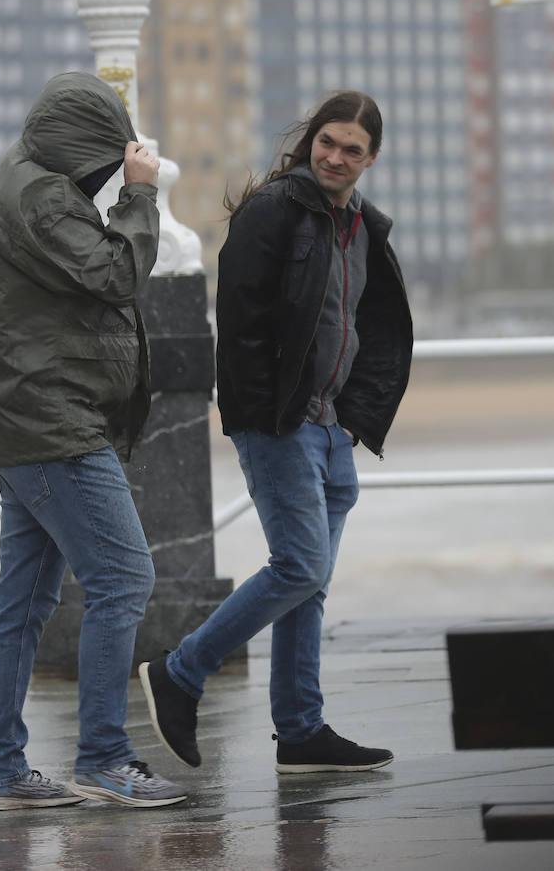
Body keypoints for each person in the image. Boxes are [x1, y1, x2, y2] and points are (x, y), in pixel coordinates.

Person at [139, 90, 413, 774]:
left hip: (331, 427)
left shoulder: (363, 229)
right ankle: (180, 672)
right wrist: (269, 417)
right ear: (310, 140)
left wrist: (354, 416)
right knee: (298, 565)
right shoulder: (274, 212)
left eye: (353, 149)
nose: (337, 157)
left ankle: (300, 730)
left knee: (309, 583)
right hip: (280, 424)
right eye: (329, 142)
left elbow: (373, 327)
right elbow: (240, 328)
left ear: (370, 158)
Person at [0, 72, 185, 810]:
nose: (109, 174)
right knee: (124, 579)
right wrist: (141, 192)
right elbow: (116, 271)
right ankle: (105, 759)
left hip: (28, 416)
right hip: (48, 420)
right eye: (107, 160)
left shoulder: (24, 185)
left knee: (22, 600)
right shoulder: (42, 195)